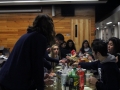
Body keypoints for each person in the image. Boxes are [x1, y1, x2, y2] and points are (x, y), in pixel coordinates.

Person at [0, 14, 55, 90]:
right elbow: (37, 65)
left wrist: (44, 74)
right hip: (13, 82)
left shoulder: (27, 35)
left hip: (6, 77)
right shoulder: (40, 38)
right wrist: (40, 85)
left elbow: (36, 59)